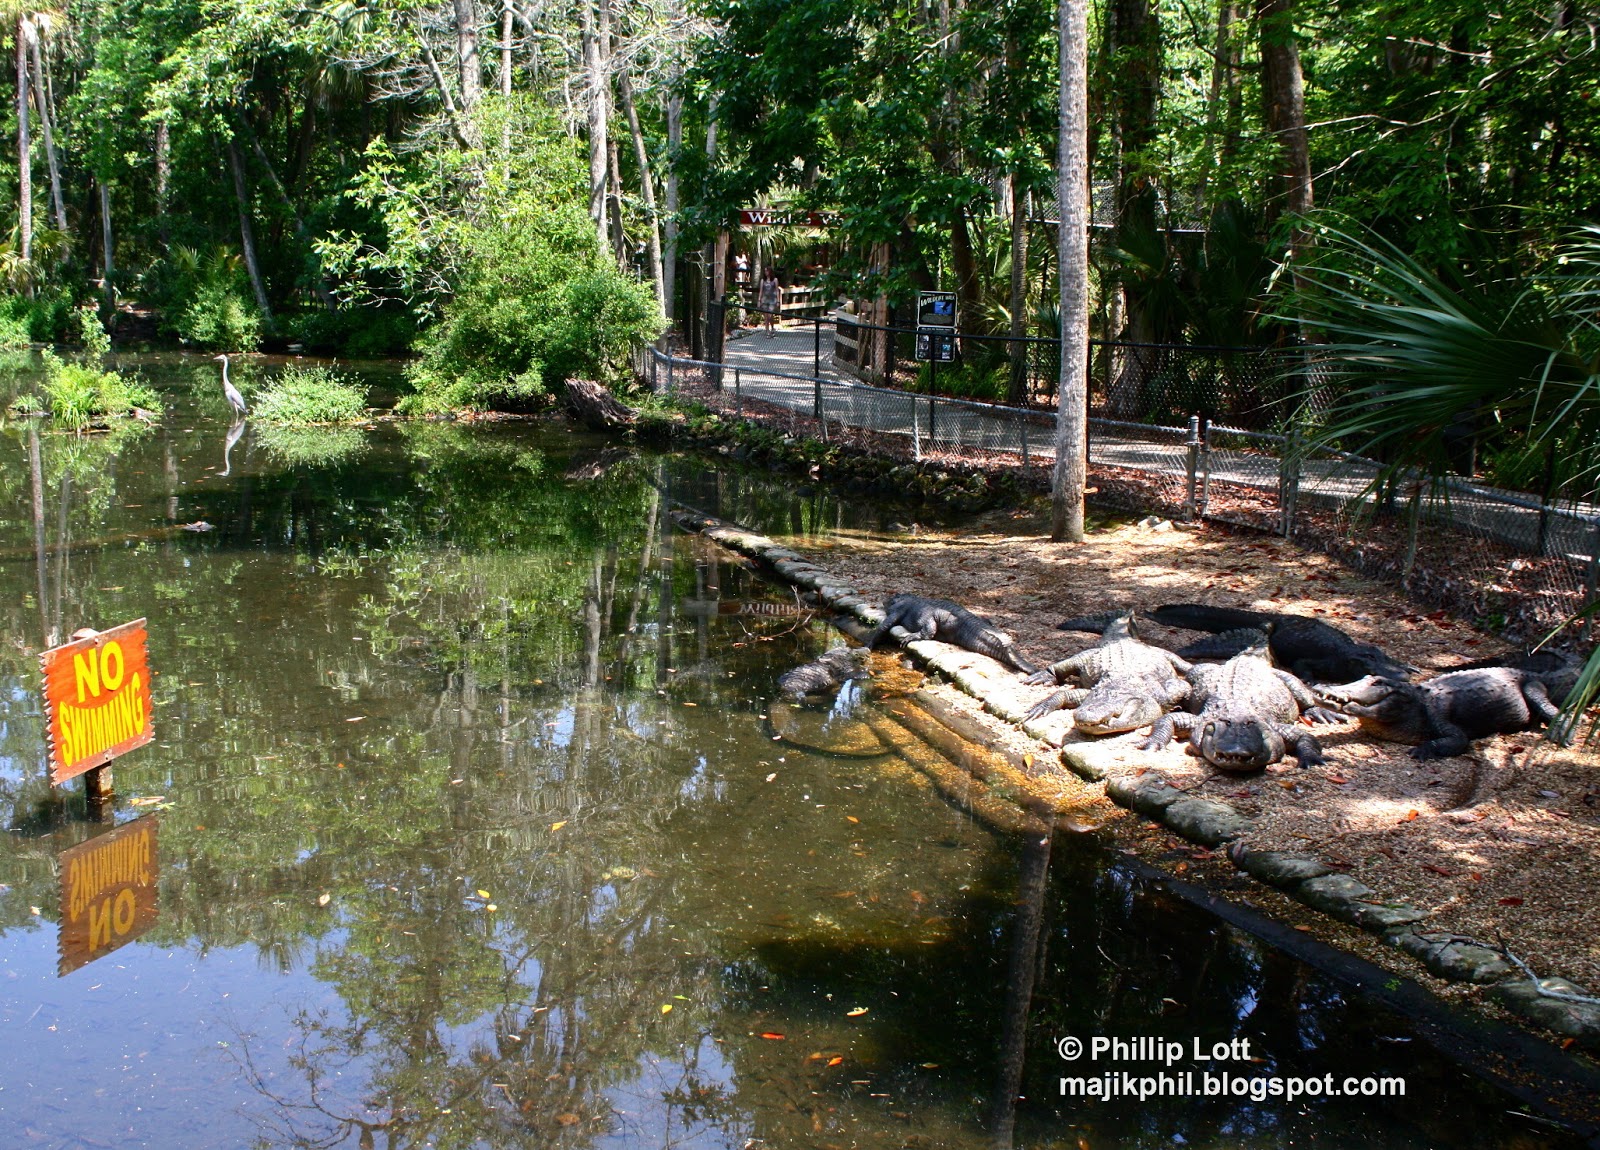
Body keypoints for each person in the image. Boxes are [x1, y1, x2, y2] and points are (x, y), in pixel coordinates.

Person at [757, 266, 781, 336]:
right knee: (766, 317)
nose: (766, 272)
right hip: (764, 300)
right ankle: (767, 330)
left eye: (767, 271)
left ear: (770, 272)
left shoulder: (775, 280)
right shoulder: (762, 281)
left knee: (770, 316)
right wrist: (759, 300)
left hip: (772, 300)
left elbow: (777, 291)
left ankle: (772, 327)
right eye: (765, 271)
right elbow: (761, 291)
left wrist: (778, 301)